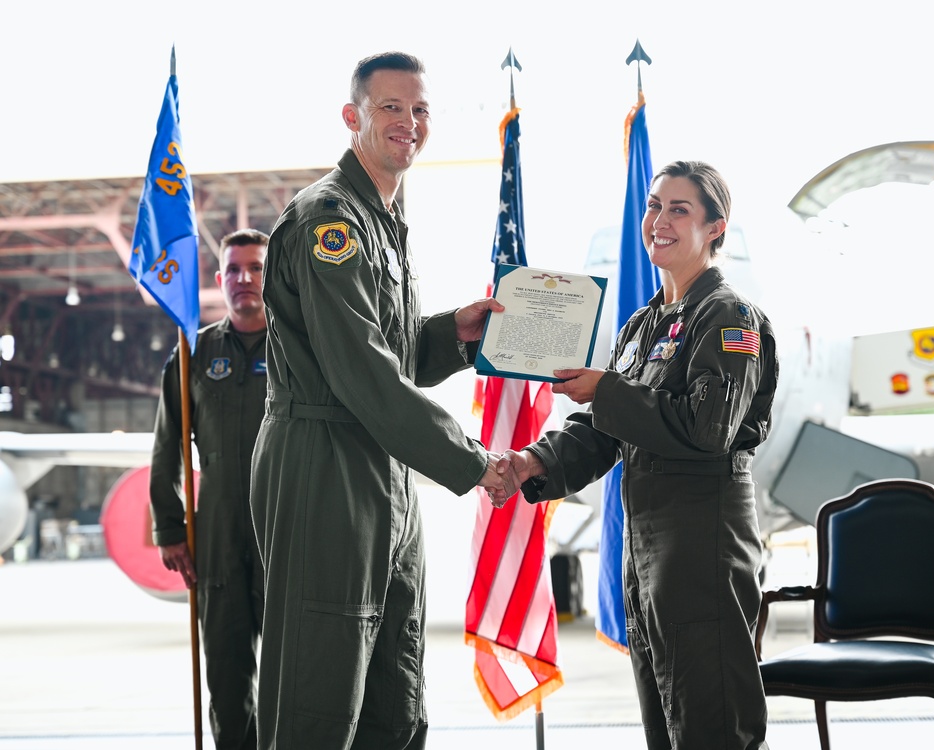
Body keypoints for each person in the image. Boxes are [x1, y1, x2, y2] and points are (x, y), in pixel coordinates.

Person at [248, 51, 517, 749]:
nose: (409, 123)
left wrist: (452, 335)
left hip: (384, 466)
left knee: (394, 684)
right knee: (321, 684)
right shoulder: (330, 223)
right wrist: (472, 461)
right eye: (391, 108)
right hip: (325, 463)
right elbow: (361, 372)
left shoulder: (386, 220)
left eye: (420, 110)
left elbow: (390, 352)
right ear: (353, 117)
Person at [500, 161, 777, 749]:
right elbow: (607, 430)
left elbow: (708, 428)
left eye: (680, 210)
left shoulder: (728, 319)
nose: (659, 221)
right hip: (647, 547)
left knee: (713, 723)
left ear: (715, 228)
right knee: (668, 723)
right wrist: (535, 461)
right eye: (655, 206)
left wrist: (606, 389)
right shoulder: (642, 327)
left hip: (703, 539)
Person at [149, 228, 270, 750]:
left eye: (257, 267)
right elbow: (166, 447)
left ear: (273, 275)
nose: (245, 279)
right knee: (225, 673)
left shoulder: (304, 350)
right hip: (217, 532)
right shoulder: (191, 354)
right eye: (235, 270)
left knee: (297, 673)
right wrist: (172, 528)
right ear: (220, 281)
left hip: (284, 526)